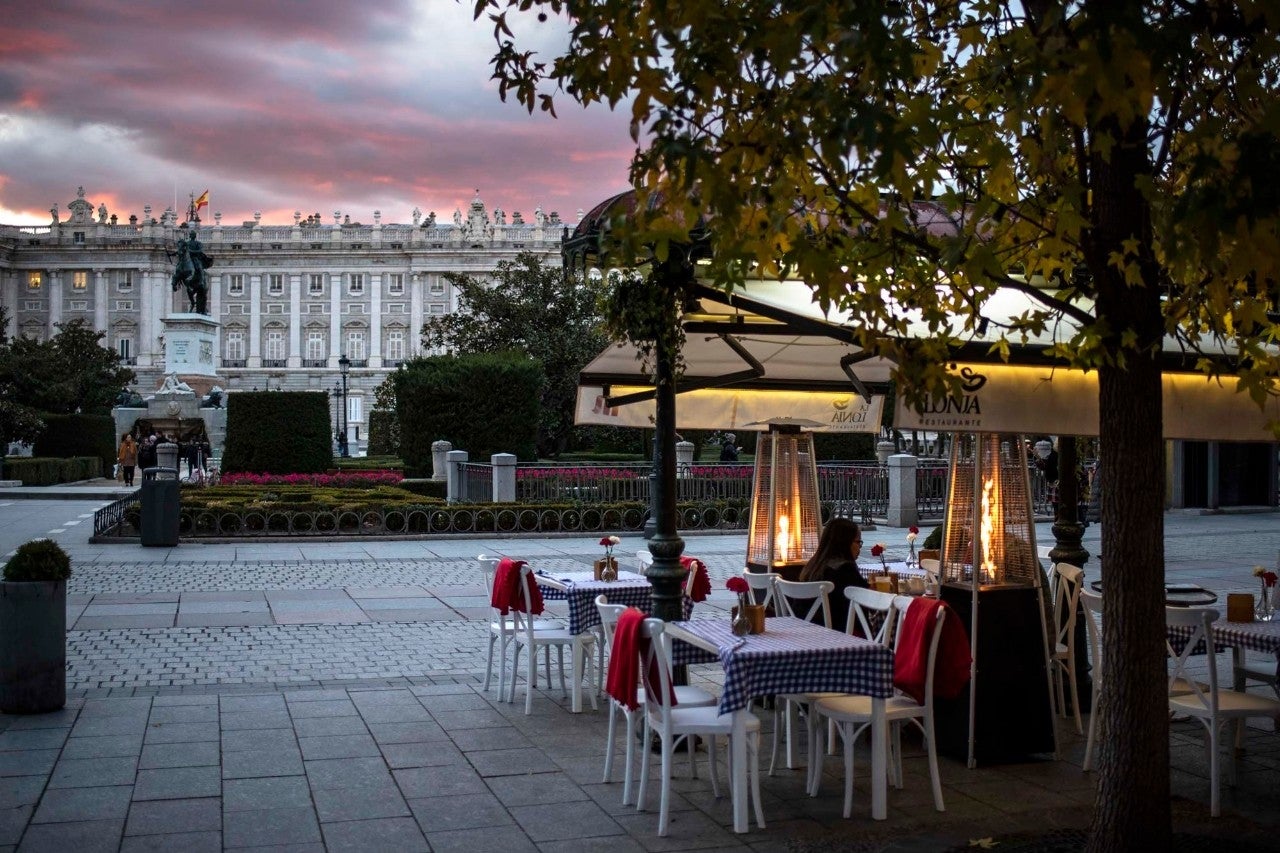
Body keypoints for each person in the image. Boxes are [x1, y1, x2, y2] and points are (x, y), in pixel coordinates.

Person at [797, 517, 869, 633]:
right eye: (858, 542)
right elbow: (865, 601)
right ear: (845, 543)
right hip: (840, 636)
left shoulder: (812, 566)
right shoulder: (845, 570)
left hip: (805, 632)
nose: (860, 547)